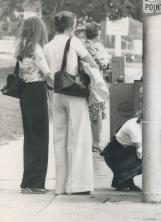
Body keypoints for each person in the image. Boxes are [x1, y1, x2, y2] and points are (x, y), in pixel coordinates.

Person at [44, 11, 98, 195]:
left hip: (56, 93)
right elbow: (92, 63)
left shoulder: (48, 46)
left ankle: (60, 185)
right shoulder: (73, 42)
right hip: (74, 92)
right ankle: (78, 185)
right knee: (79, 136)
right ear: (70, 26)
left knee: (59, 138)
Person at [15, 16, 53, 194]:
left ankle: (28, 181)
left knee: (31, 137)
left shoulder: (21, 47)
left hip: (25, 93)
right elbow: (48, 74)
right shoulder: (36, 48)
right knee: (40, 137)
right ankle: (35, 183)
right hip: (37, 92)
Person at [75, 22, 110, 152]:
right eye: (99, 30)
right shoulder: (90, 46)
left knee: (96, 112)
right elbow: (100, 63)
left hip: (92, 81)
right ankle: (95, 143)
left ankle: (95, 141)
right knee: (96, 113)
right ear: (96, 32)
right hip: (92, 83)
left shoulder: (86, 44)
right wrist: (105, 63)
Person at [100, 111, 142, 192]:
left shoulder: (139, 122)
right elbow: (141, 151)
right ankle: (122, 179)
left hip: (122, 151)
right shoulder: (134, 127)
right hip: (114, 153)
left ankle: (125, 181)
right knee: (146, 161)